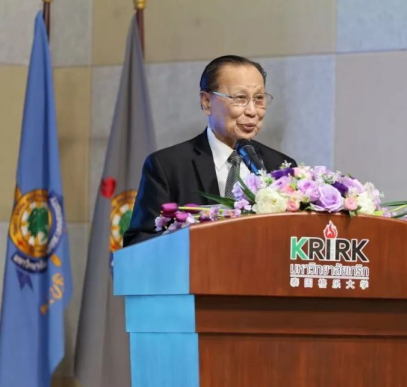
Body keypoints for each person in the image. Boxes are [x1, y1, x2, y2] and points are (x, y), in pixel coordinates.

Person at [124, 55, 297, 246]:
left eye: (259, 99)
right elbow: (139, 242)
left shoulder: (280, 167)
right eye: (240, 98)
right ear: (207, 102)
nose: (252, 111)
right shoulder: (168, 166)